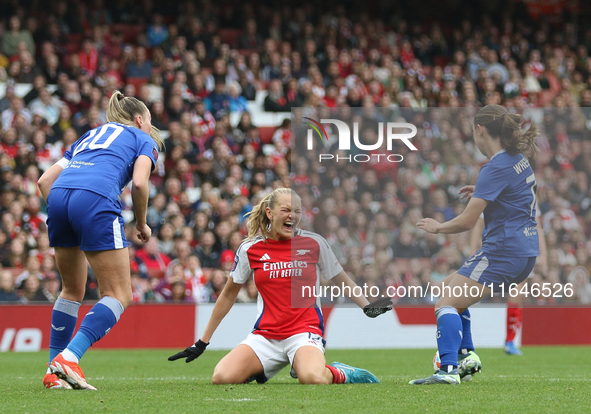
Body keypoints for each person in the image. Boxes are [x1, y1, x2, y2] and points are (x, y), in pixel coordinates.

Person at [169, 187, 391, 385]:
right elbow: (227, 296)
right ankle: (269, 366)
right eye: (286, 210)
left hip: (304, 331)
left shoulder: (314, 243)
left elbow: (341, 279)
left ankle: (340, 372)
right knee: (221, 377)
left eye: (297, 211)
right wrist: (202, 341)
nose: (292, 216)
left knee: (312, 378)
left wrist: (366, 306)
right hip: (266, 335)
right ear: (269, 212)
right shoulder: (250, 249)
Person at [37, 90, 163, 390]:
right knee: (119, 294)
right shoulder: (143, 138)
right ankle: (70, 358)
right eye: (149, 122)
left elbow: (43, 181)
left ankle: (53, 374)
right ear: (139, 119)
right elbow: (141, 183)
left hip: (59, 198)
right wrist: (142, 223)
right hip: (95, 200)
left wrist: (66, 214)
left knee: (70, 291)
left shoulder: (91, 135)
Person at [410, 104, 539, 385]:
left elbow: (468, 222)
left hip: (503, 251)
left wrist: (438, 227)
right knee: (446, 288)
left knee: (444, 303)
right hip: (525, 250)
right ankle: (466, 356)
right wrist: (481, 190)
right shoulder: (517, 158)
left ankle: (447, 371)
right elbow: (511, 192)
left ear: (480, 130)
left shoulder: (494, 167)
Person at [469, 204, 547, 356]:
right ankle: (465, 338)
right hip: (494, 250)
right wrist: (472, 253)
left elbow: (537, 227)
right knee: (474, 292)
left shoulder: (529, 195)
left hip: (521, 251)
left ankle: (510, 341)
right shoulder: (494, 194)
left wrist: (543, 254)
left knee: (517, 295)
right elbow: (478, 227)